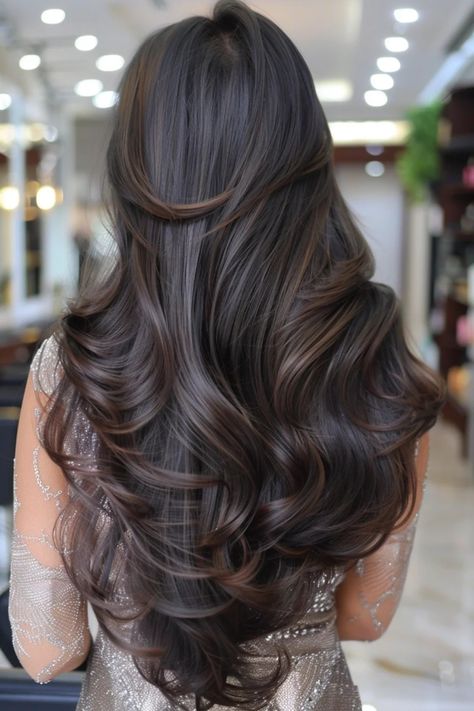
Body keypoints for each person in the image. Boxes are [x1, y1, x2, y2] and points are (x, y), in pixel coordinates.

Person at [8, 1, 447, 709]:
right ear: (307, 163)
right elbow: (367, 616)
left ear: (136, 168)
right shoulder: (374, 362)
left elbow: (45, 644)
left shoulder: (73, 369)